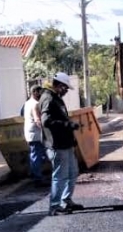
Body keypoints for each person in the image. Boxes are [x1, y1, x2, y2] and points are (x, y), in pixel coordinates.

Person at [40, 72, 84, 216]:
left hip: (66, 143)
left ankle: (66, 200)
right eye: (65, 88)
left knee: (72, 172)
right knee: (60, 176)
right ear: (58, 85)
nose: (66, 91)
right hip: (57, 144)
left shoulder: (56, 98)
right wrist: (67, 124)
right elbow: (46, 121)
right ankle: (55, 206)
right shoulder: (48, 98)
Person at [23, 85, 47, 184]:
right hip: (36, 133)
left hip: (29, 133)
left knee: (35, 155)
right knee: (37, 155)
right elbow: (38, 119)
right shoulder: (36, 104)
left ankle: (35, 174)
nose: (41, 94)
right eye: (40, 92)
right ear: (34, 92)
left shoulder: (27, 103)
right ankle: (37, 178)